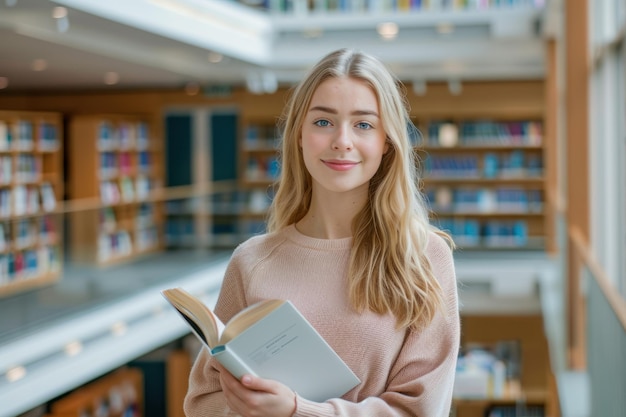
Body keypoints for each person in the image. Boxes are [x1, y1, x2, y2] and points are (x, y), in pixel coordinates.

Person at [184, 48, 460, 417]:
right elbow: (203, 401)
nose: (341, 141)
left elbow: (421, 410)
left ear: (386, 143)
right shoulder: (251, 262)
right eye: (323, 122)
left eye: (363, 125)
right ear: (299, 134)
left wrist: (297, 411)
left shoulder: (424, 256)